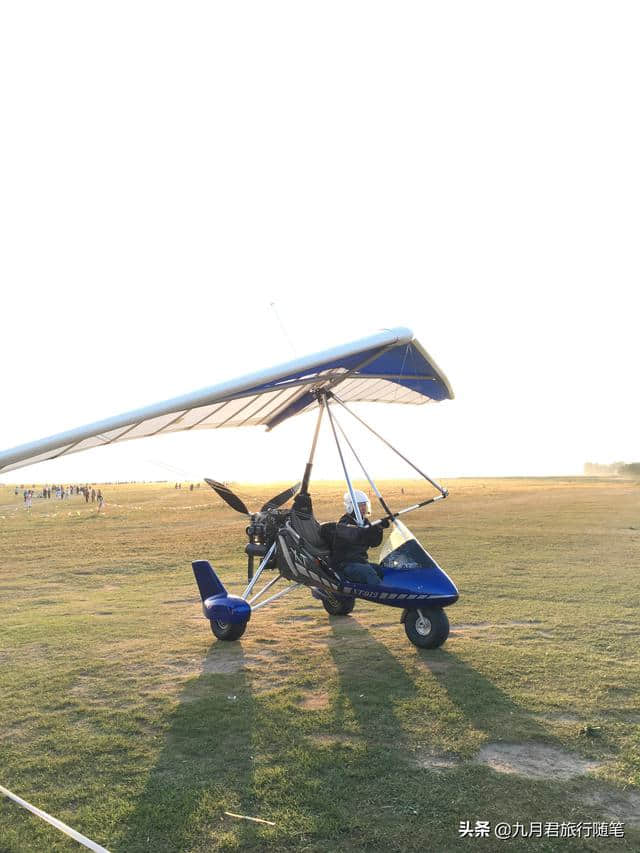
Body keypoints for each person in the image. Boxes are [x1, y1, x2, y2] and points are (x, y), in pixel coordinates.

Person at [314, 489, 389, 586]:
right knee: (369, 573)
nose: (363, 508)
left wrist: (379, 528)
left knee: (382, 571)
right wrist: (368, 529)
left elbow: (374, 543)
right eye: (360, 505)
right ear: (351, 506)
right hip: (345, 565)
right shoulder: (344, 522)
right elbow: (354, 534)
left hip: (360, 562)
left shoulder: (364, 522)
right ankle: (382, 593)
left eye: (364, 504)